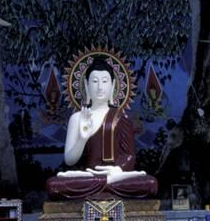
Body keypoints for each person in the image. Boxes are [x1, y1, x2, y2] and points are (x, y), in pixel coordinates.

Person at [46, 56, 158, 200]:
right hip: (88, 177)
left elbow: (129, 155)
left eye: (105, 81)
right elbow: (69, 160)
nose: (99, 87)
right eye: (94, 81)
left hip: (116, 177)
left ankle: (105, 183)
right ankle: (104, 183)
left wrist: (118, 170)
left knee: (150, 184)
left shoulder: (121, 117)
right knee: (54, 186)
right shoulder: (77, 118)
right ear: (86, 85)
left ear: (113, 85)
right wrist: (82, 138)